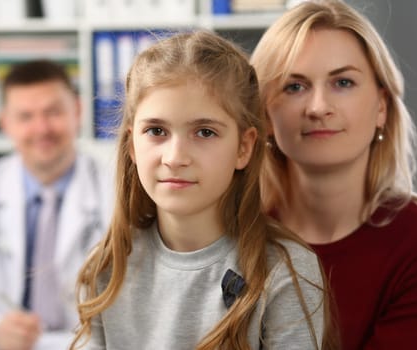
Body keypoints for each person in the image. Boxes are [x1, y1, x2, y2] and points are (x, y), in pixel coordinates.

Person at [69, 31, 327, 350]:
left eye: (204, 132)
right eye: (156, 131)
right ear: (132, 144)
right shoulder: (107, 267)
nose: (175, 157)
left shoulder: (284, 269)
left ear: (243, 148)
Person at [250, 1, 417, 349]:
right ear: (266, 116)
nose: (318, 108)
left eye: (342, 82)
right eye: (294, 87)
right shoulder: (228, 243)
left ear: (381, 107)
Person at [0, 60, 114, 349]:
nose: (41, 128)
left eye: (53, 112)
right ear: (6, 123)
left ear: (77, 111)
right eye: (26, 116)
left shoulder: (116, 192)